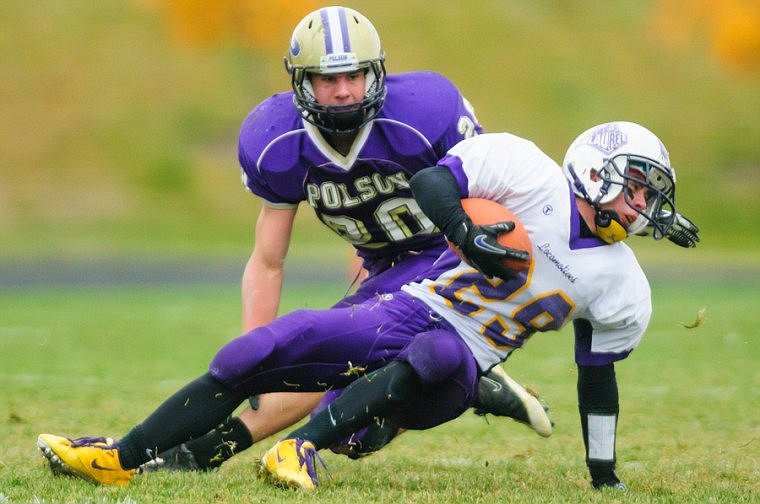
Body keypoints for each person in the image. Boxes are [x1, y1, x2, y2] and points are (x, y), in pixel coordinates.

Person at [37, 120, 697, 491]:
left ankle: (302, 449)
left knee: (439, 354)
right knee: (259, 348)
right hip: (410, 306)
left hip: (460, 363)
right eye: (634, 189)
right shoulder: (528, 170)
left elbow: (598, 377)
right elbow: (434, 182)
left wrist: (604, 476)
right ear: (593, 169)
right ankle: (119, 459)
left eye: (647, 198)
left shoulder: (624, 285)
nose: (640, 207)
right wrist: (466, 235)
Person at [143, 5, 552, 473]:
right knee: (349, 429)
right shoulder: (276, 139)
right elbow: (268, 260)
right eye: (327, 79)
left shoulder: (424, 111)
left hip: (448, 252)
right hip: (382, 265)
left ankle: (198, 455)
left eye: (354, 75)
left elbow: (487, 196)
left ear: (376, 71)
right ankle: (463, 378)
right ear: (301, 82)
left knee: (322, 352)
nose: (343, 90)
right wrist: (254, 351)